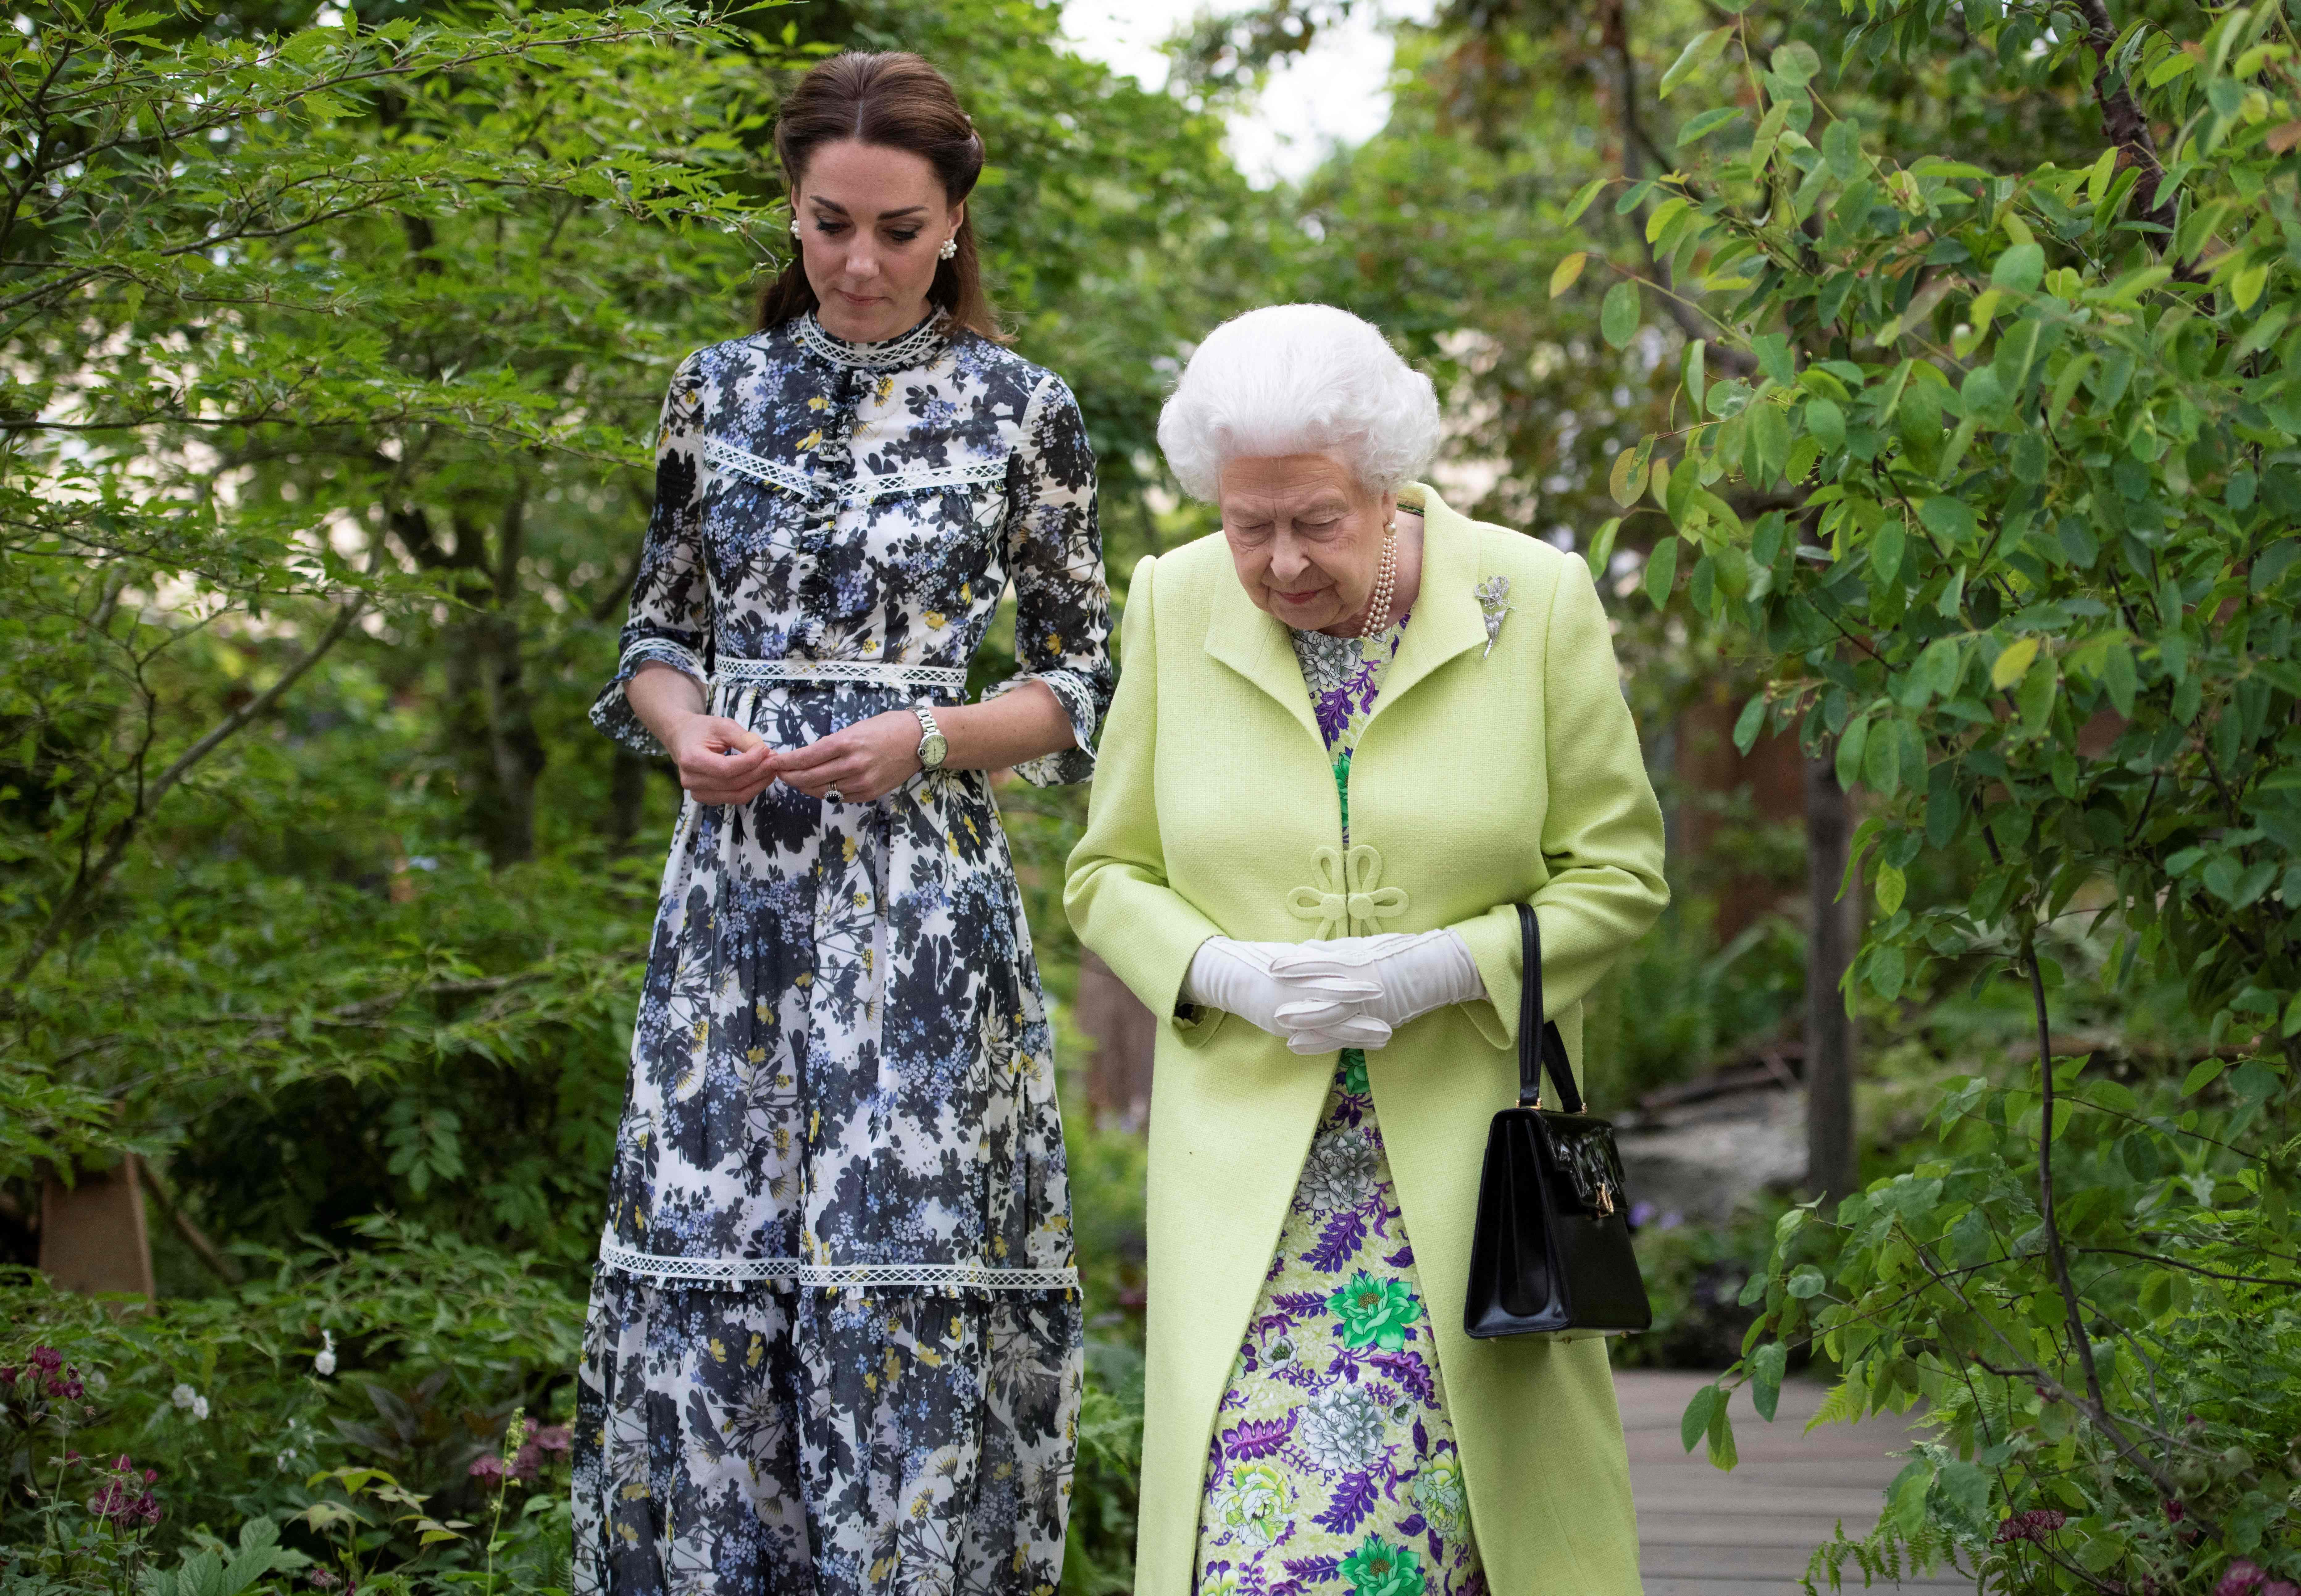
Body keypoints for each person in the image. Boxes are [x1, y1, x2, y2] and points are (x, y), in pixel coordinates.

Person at [573, 51, 1111, 1595]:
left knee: (901, 1275)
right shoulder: (711, 391)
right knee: (713, 1270)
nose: (860, 262)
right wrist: (689, 737)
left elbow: (1080, 681)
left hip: (923, 916)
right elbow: (654, 641)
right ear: (791, 213)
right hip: (731, 907)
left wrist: (930, 737)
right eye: (828, 225)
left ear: (955, 224)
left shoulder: (1024, 412)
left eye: (897, 229)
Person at [1065, 304, 1667, 1595]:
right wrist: (1221, 972)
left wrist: (1441, 969)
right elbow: (1108, 873)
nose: (1278, 562)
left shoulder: (1534, 598)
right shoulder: (1171, 603)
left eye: (1314, 522)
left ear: (1386, 488)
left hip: (1465, 1201)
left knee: (1381, 1555)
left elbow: (1621, 879)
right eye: (1247, 525)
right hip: (1250, 1201)